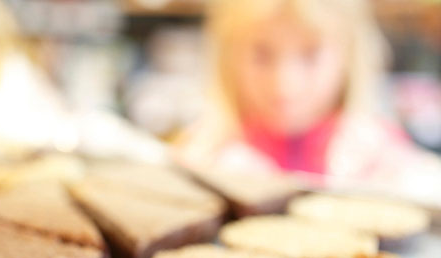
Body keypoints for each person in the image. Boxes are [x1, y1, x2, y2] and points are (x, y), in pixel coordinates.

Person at [177, 0, 441, 203]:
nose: (285, 84)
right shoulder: (204, 152)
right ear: (228, 56)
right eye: (261, 54)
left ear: (350, 55)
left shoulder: (384, 156)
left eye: (311, 55)